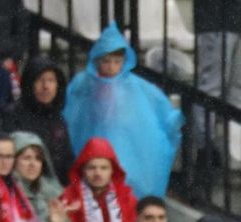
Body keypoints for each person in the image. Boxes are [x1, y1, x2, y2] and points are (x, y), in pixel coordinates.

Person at [63, 23, 182, 198]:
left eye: (117, 62)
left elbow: (157, 109)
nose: (111, 67)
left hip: (127, 151)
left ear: (124, 62)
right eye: (106, 61)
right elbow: (73, 114)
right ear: (97, 61)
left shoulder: (134, 85)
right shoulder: (84, 83)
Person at [189, 6, 241, 170]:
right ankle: (205, 148)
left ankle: (234, 148)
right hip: (215, 21)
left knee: (238, 89)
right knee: (211, 87)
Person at [57, 137, 134, 222]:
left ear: (112, 171)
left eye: (104, 168)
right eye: (92, 168)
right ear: (83, 170)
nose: (98, 173)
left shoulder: (126, 197)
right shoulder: (69, 198)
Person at [3, 57, 73, 177]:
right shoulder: (12, 115)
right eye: (40, 80)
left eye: (51, 80)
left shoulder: (58, 119)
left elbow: (66, 160)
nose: (46, 86)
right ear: (29, 84)